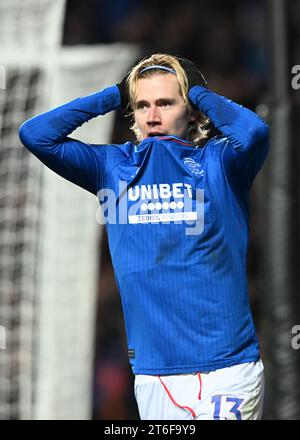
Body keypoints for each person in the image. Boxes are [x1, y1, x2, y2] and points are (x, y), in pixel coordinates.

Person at [19, 53, 269, 420]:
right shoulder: (112, 168)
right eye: (142, 105)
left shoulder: (220, 164)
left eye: (166, 103)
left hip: (226, 371)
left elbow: (255, 132)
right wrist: (114, 95)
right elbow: (36, 135)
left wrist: (200, 93)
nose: (152, 116)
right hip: (153, 377)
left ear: (192, 112)